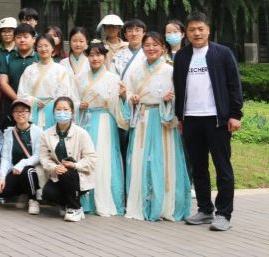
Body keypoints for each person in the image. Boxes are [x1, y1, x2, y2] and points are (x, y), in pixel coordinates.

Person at [174, 12, 243, 231]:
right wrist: (180, 117)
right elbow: (178, 88)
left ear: (208, 30)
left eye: (200, 29)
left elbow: (234, 85)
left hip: (216, 119)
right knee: (198, 167)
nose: (197, 33)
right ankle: (205, 210)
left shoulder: (222, 53)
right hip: (191, 119)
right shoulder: (182, 56)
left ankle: (223, 214)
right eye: (192, 29)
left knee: (222, 167)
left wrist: (235, 114)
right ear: (186, 33)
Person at [123, 33, 191, 222]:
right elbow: (128, 92)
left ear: (163, 47)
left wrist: (169, 100)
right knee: (140, 159)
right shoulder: (136, 71)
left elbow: (180, 95)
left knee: (164, 159)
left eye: (155, 45)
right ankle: (142, 202)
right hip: (142, 117)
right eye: (147, 45)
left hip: (163, 120)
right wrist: (131, 98)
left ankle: (165, 204)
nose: (151, 48)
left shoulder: (170, 70)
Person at [75, 41, 126, 217]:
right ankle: (86, 200)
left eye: (99, 55)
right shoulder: (80, 78)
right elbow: (72, 99)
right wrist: (78, 105)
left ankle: (106, 198)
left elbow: (118, 106)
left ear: (104, 57)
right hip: (85, 120)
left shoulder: (112, 79)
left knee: (104, 158)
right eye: (91, 55)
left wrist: (123, 97)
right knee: (85, 157)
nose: (95, 58)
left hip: (105, 121)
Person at [38, 97, 97, 222]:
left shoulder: (81, 133)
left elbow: (91, 158)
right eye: (58, 109)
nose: (62, 113)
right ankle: (71, 205)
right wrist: (54, 167)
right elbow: (44, 158)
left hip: (77, 176)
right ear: (53, 112)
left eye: (66, 109)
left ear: (72, 112)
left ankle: (74, 208)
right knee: (47, 194)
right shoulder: (46, 134)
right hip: (58, 175)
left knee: (67, 172)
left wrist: (75, 165)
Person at [17, 35, 79, 128]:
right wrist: (34, 101)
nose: (43, 49)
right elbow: (21, 94)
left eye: (46, 46)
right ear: (36, 49)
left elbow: (65, 94)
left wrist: (56, 106)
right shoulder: (29, 70)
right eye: (40, 46)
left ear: (52, 48)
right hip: (33, 111)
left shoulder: (60, 70)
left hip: (54, 111)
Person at [0, 99, 43, 214]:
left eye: (24, 111)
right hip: (15, 170)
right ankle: (23, 193)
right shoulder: (8, 133)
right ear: (12, 114)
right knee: (2, 191)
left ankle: (33, 199)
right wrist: (1, 179)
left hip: (32, 170)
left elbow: (38, 155)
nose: (20, 113)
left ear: (29, 113)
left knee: (27, 171)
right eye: (16, 111)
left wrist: (22, 164)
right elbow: (5, 158)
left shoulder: (38, 132)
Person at [0, 23, 38, 112]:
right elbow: (3, 82)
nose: (22, 40)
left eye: (26, 37)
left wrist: (32, 101)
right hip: (12, 105)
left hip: (37, 105)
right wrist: (18, 100)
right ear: (14, 39)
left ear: (34, 39)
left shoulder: (39, 58)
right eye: (18, 37)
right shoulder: (8, 58)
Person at [115, 19, 147, 84]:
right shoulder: (117, 56)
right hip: (123, 89)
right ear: (125, 35)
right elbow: (114, 78)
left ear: (144, 34)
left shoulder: (150, 53)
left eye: (137, 30)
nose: (134, 34)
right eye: (130, 31)